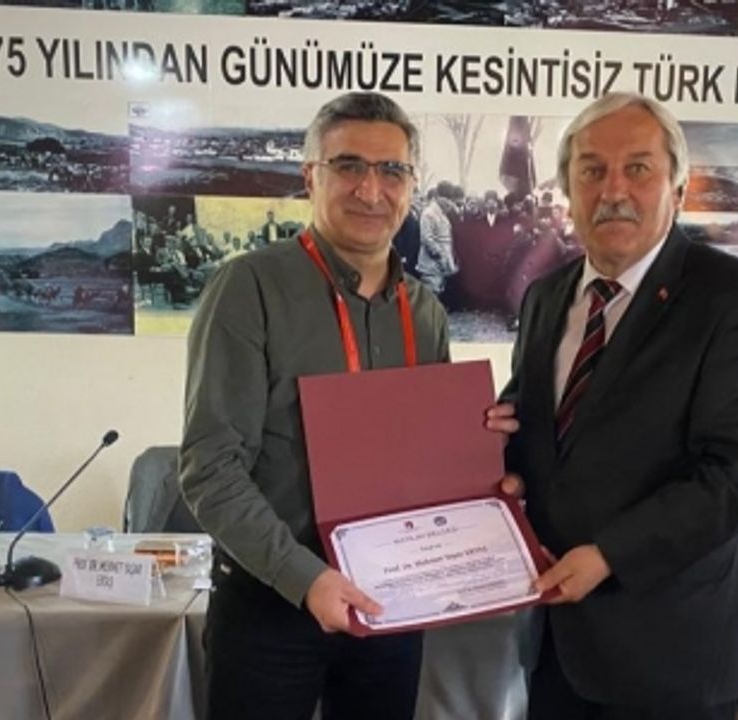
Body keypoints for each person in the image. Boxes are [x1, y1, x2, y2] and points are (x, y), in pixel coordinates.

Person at [180, 91, 515, 720]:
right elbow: (210, 468)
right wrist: (305, 578)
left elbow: (427, 461)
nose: (371, 189)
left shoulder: (424, 310)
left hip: (392, 600)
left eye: (392, 170)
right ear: (311, 176)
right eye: (349, 166)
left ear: (412, 184)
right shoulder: (249, 288)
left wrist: (481, 441)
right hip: (273, 601)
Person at [501, 92, 738, 720]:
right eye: (591, 170)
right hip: (554, 646)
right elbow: (536, 427)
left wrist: (609, 555)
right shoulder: (545, 297)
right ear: (567, 189)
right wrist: (497, 455)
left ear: (678, 189)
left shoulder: (736, 299)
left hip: (671, 658)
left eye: (637, 168)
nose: (613, 190)